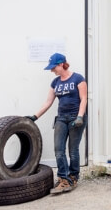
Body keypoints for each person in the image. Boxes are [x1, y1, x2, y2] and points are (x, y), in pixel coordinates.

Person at [27, 53, 87, 195]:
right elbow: (48, 102)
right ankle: (63, 179)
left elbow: (84, 99)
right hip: (61, 118)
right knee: (58, 149)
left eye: (53, 67)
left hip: (75, 118)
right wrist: (35, 116)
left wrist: (80, 117)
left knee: (73, 150)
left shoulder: (78, 78)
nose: (51, 70)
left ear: (61, 64)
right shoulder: (55, 83)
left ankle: (73, 177)